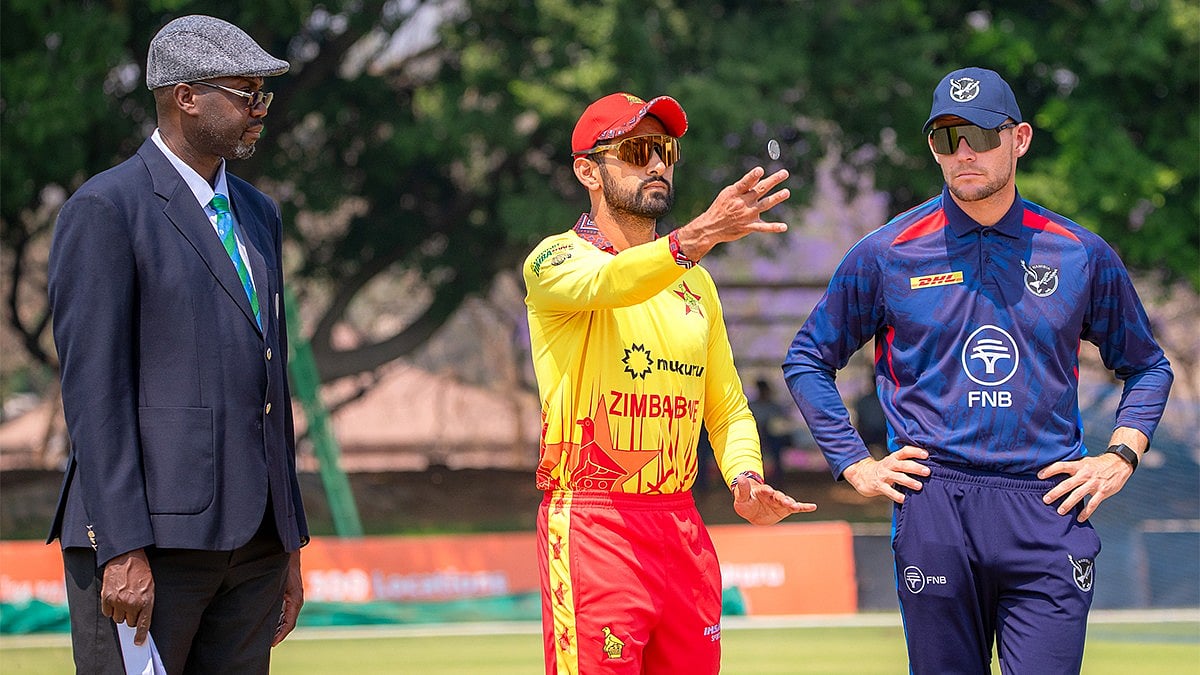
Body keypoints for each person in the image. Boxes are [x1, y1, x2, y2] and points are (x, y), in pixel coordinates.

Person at [782, 66, 1173, 673]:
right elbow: (808, 359)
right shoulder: (886, 253)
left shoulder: (1079, 253)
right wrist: (854, 462)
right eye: (946, 138)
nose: (963, 153)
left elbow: (1147, 366)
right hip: (935, 502)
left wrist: (1120, 455)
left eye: (981, 136)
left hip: (1047, 502)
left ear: (1019, 139)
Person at [47, 15, 308, 674]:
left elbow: (269, 383)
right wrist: (121, 545)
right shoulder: (106, 209)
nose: (260, 109)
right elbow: (94, 394)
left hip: (254, 548)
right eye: (245, 92)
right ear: (185, 96)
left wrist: (288, 541)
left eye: (264, 95)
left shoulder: (260, 212)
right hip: (148, 547)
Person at [524, 92, 817, 674]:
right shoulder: (553, 261)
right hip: (594, 522)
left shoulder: (696, 285)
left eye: (665, 150)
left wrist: (745, 476)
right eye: (636, 150)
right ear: (588, 170)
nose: (657, 164)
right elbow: (614, 283)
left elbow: (728, 408)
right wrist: (696, 237)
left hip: (682, 527)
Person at [747, 377, 792, 483]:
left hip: (772, 438)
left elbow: (782, 425)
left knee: (776, 447)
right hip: (755, 437)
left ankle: (777, 478)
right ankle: (754, 479)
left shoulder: (774, 407)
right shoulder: (752, 406)